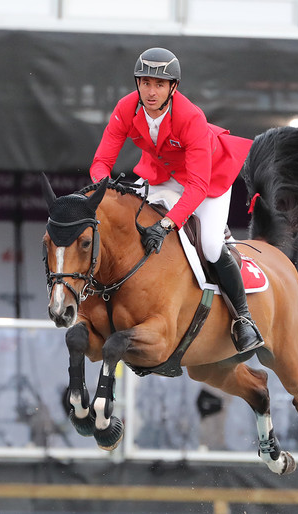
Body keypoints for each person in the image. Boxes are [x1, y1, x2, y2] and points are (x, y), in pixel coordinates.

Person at [89, 47, 263, 353]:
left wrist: (168, 223)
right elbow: (101, 162)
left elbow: (196, 185)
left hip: (207, 180)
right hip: (161, 176)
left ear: (173, 87)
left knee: (209, 244)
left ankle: (243, 319)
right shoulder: (126, 108)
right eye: (144, 83)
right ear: (137, 83)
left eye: (159, 84)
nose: (151, 91)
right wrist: (104, 190)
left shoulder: (190, 116)